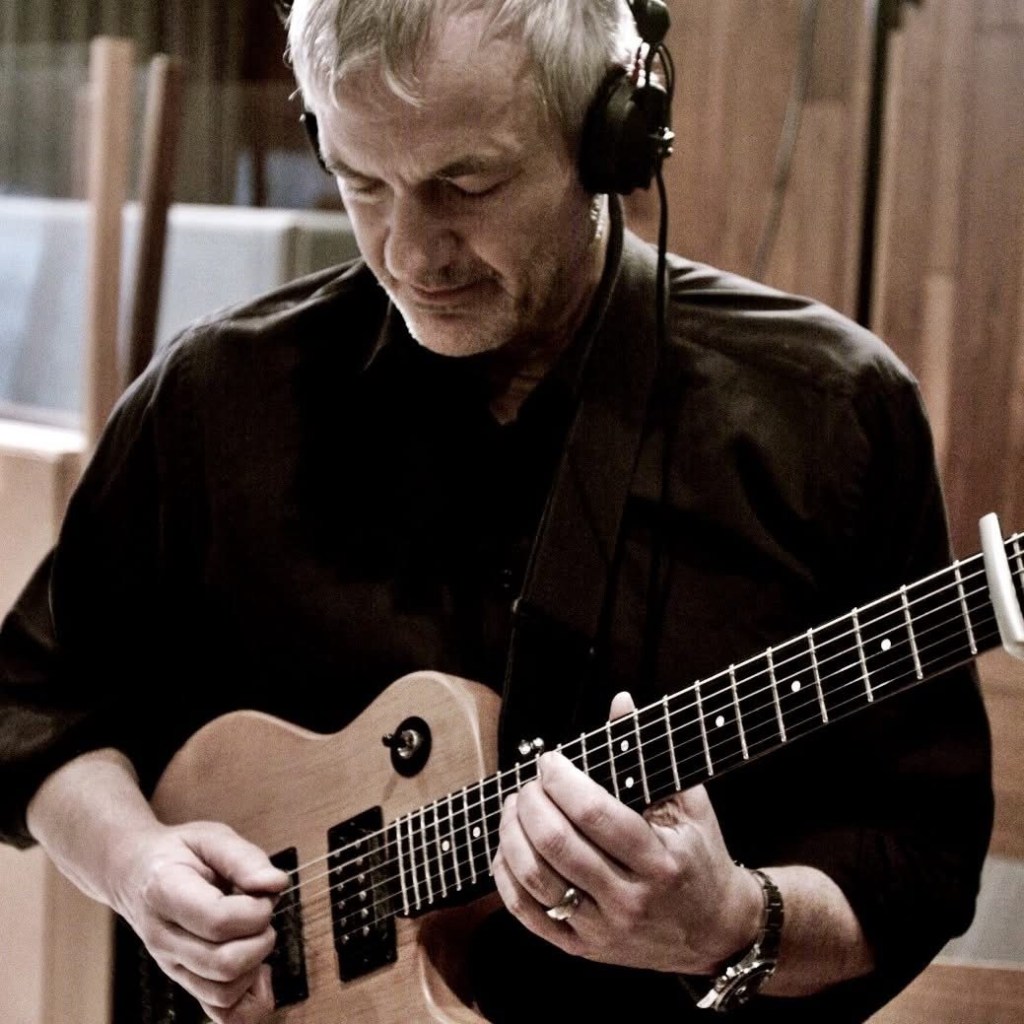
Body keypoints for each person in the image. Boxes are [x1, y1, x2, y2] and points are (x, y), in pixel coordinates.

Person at [0, 1, 994, 1022]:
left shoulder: (830, 414)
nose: (411, 253)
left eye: (466, 185)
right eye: (360, 182)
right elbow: (30, 701)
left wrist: (733, 922)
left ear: (609, 138)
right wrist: (135, 866)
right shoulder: (217, 397)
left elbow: (919, 859)